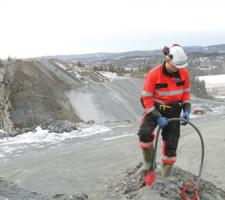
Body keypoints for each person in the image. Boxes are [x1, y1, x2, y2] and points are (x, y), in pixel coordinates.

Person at [138, 44, 191, 178]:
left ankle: (166, 175)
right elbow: (145, 98)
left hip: (173, 110)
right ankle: (148, 164)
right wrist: (157, 116)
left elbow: (186, 95)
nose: (177, 70)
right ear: (168, 60)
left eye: (180, 67)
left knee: (171, 142)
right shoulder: (154, 74)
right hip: (155, 108)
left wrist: (186, 111)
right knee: (144, 134)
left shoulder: (183, 73)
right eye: (175, 66)